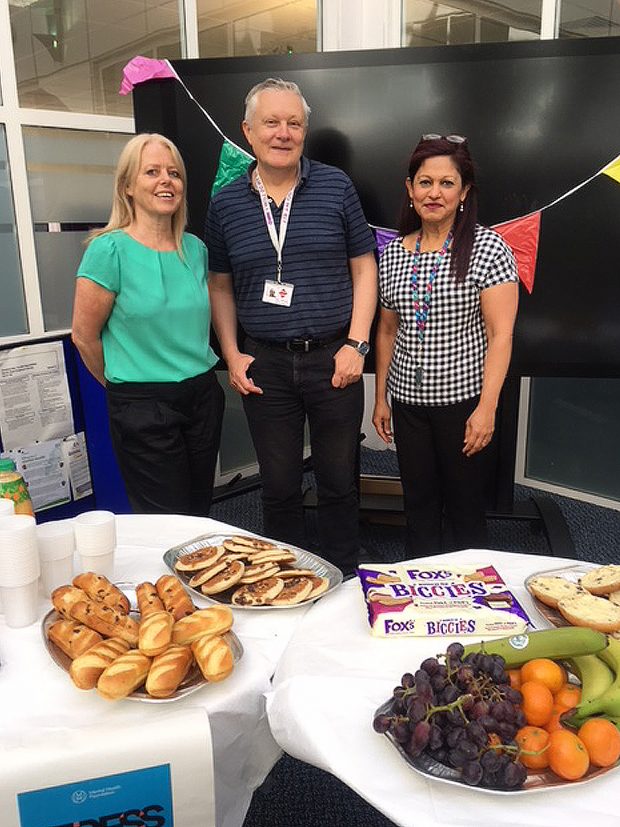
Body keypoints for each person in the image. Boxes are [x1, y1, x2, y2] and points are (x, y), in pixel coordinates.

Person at [206, 77, 377, 576]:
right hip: (266, 363)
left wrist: (358, 345)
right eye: (272, 122)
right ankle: (285, 576)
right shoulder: (227, 202)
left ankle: (342, 571)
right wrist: (231, 353)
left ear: (305, 130)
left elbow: (364, 267)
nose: (283, 133)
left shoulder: (336, 186)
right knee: (278, 484)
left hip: (333, 358)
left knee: (339, 479)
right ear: (249, 131)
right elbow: (220, 282)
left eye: (294, 123)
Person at [373, 134, 519, 556]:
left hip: (464, 405)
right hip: (408, 404)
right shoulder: (393, 254)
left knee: (465, 511)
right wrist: (381, 398)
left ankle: (472, 606)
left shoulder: (488, 248)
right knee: (418, 507)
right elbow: (386, 330)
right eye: (424, 182)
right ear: (409, 188)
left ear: (464, 191)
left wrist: (487, 408)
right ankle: (420, 595)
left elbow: (501, 335)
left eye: (446, 183)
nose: (434, 193)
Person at [72, 133, 225, 516]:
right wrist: (124, 386)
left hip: (202, 397)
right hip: (142, 404)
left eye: (174, 173)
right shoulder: (108, 250)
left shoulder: (196, 249)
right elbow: (84, 337)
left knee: (199, 514)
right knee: (165, 521)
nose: (166, 181)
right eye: (151, 172)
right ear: (127, 186)